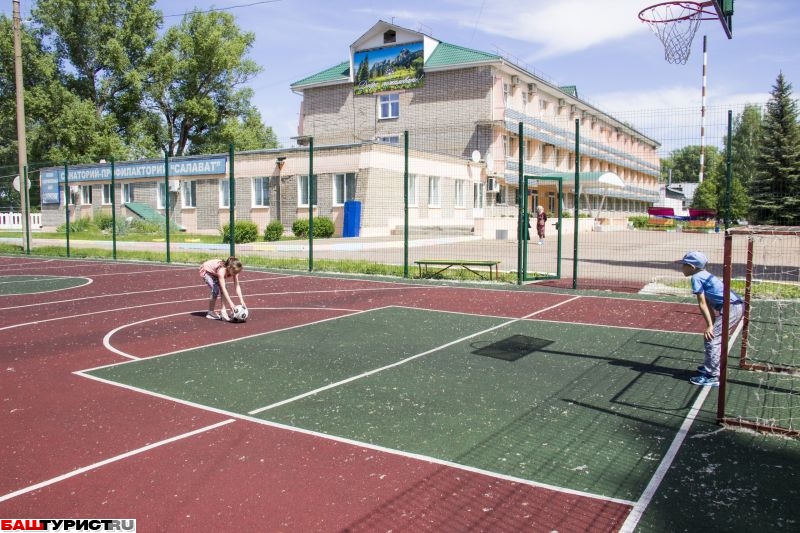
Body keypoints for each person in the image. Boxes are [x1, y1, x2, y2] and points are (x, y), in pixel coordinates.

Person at [679, 251, 744, 387]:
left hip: (732, 308)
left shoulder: (696, 278)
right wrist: (712, 323)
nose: (682, 267)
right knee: (714, 336)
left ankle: (713, 375)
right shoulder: (704, 274)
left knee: (712, 339)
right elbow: (707, 304)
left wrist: (710, 326)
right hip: (735, 306)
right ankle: (711, 366)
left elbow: (702, 303)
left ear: (692, 267)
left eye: (684, 265)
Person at [199, 256, 246, 321]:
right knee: (215, 290)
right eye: (235, 272)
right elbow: (223, 289)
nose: (236, 274)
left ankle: (223, 311)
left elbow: (237, 285)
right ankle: (210, 313)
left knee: (225, 287)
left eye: (237, 272)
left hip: (215, 272)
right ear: (229, 268)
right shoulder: (221, 271)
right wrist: (231, 304)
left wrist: (241, 300)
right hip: (207, 272)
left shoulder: (234, 271)